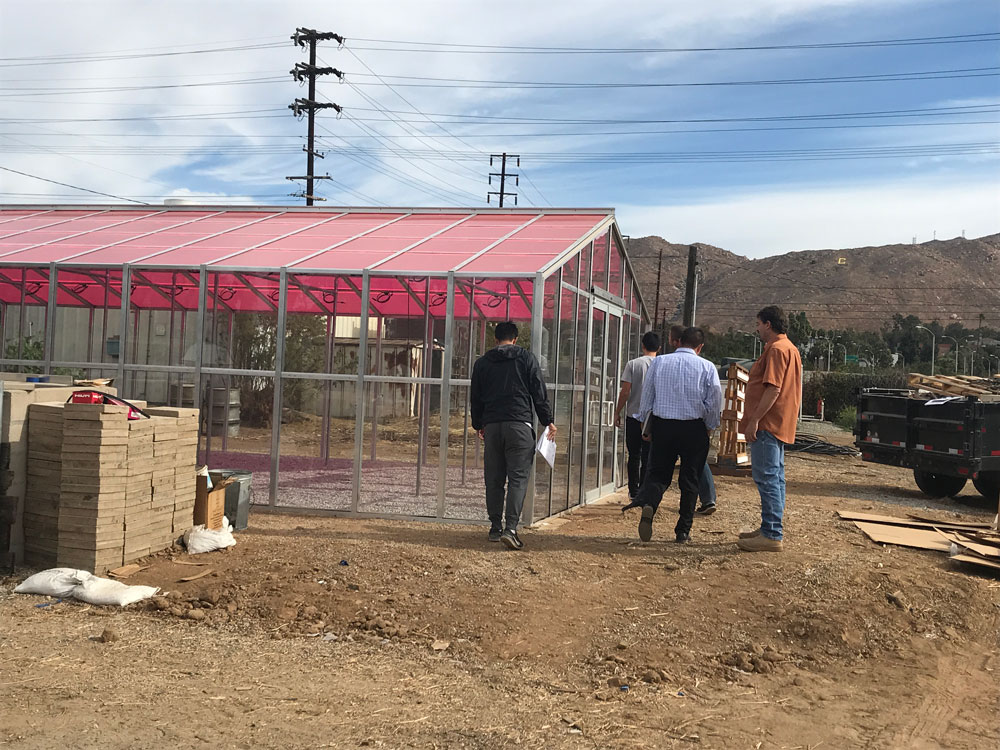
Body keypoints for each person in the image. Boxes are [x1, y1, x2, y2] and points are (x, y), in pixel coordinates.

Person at [470, 321, 556, 551]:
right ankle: (511, 528)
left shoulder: (482, 363)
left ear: (495, 339)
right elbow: (538, 391)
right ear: (515, 339)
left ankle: (495, 527)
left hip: (493, 426)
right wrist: (547, 420)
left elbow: (476, 397)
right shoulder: (526, 359)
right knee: (518, 478)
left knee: (494, 478)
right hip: (519, 425)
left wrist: (478, 423)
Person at [632, 327, 723, 543]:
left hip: (664, 426)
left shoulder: (659, 362)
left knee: (659, 474)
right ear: (699, 347)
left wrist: (646, 424)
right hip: (694, 428)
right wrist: (710, 426)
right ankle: (683, 530)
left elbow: (648, 396)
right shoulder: (708, 367)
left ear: (679, 341)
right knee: (690, 479)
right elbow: (714, 401)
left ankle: (650, 505)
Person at [737, 306, 802, 553]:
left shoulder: (776, 350)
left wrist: (754, 420)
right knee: (775, 478)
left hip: (768, 424)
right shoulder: (790, 349)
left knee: (767, 479)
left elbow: (773, 388)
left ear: (768, 324)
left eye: (758, 324)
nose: (757, 329)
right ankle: (769, 527)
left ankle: (772, 533)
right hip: (779, 422)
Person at [614, 330, 661, 501]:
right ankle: (644, 490)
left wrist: (617, 411)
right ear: (659, 348)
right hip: (654, 417)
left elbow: (625, 391)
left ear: (642, 345)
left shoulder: (633, 364)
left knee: (633, 454)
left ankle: (633, 491)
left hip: (634, 416)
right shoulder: (661, 364)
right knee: (648, 456)